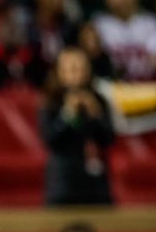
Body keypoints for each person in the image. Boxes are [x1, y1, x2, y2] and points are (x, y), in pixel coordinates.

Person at [39, 47, 116, 206]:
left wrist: (96, 114)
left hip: (96, 182)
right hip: (63, 181)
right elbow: (50, 139)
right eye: (72, 68)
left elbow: (109, 138)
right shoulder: (50, 101)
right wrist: (68, 113)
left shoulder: (99, 100)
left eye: (82, 67)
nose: (77, 73)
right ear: (60, 72)